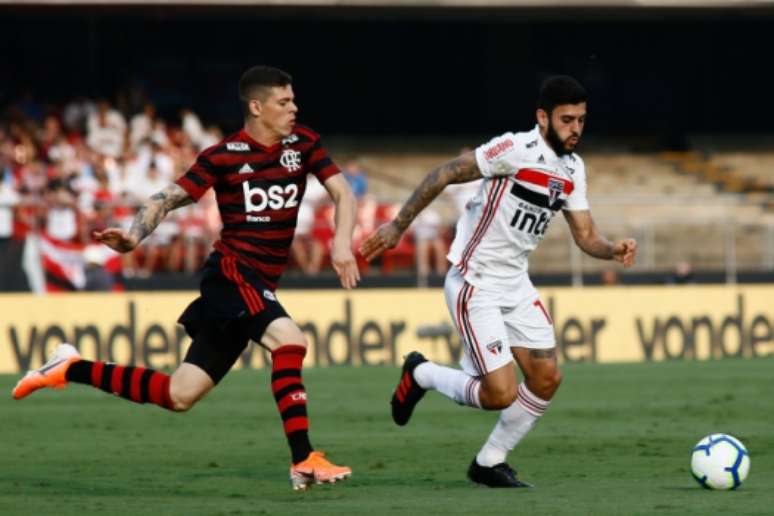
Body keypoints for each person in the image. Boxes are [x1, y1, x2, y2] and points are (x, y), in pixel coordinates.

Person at [12, 65, 360, 491]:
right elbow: (168, 198)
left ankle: (71, 366)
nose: (294, 108)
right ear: (257, 106)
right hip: (232, 274)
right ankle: (304, 459)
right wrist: (134, 235)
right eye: (284, 102)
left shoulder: (302, 143)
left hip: (256, 285)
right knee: (290, 341)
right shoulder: (223, 155)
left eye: (293, 100)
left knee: (180, 394)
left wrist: (342, 243)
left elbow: (342, 191)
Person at [360, 75, 637, 488]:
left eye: (581, 119)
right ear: (542, 117)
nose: (575, 128)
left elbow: (585, 236)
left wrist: (611, 248)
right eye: (566, 119)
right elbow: (445, 173)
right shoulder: (515, 149)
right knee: (500, 394)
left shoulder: (573, 169)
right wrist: (399, 226)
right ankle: (422, 375)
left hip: (516, 284)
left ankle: (489, 462)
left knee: (546, 378)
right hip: (475, 281)